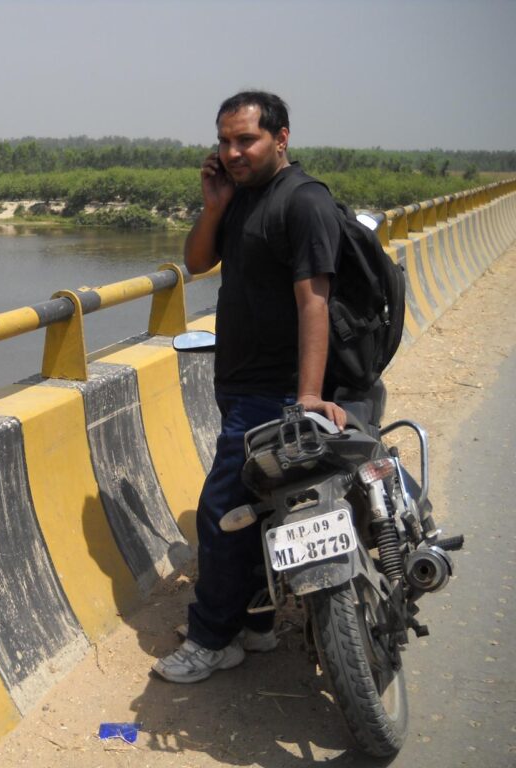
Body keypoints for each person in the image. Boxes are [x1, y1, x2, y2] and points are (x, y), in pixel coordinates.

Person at [153, 90, 348, 684]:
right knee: (264, 510)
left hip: (278, 390)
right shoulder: (240, 198)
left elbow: (314, 299)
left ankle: (213, 638)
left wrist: (307, 396)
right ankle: (257, 623)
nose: (233, 151)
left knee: (222, 510)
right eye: (224, 141)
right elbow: (196, 263)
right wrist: (214, 205)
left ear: (281, 138)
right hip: (239, 382)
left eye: (247, 139)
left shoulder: (303, 201)